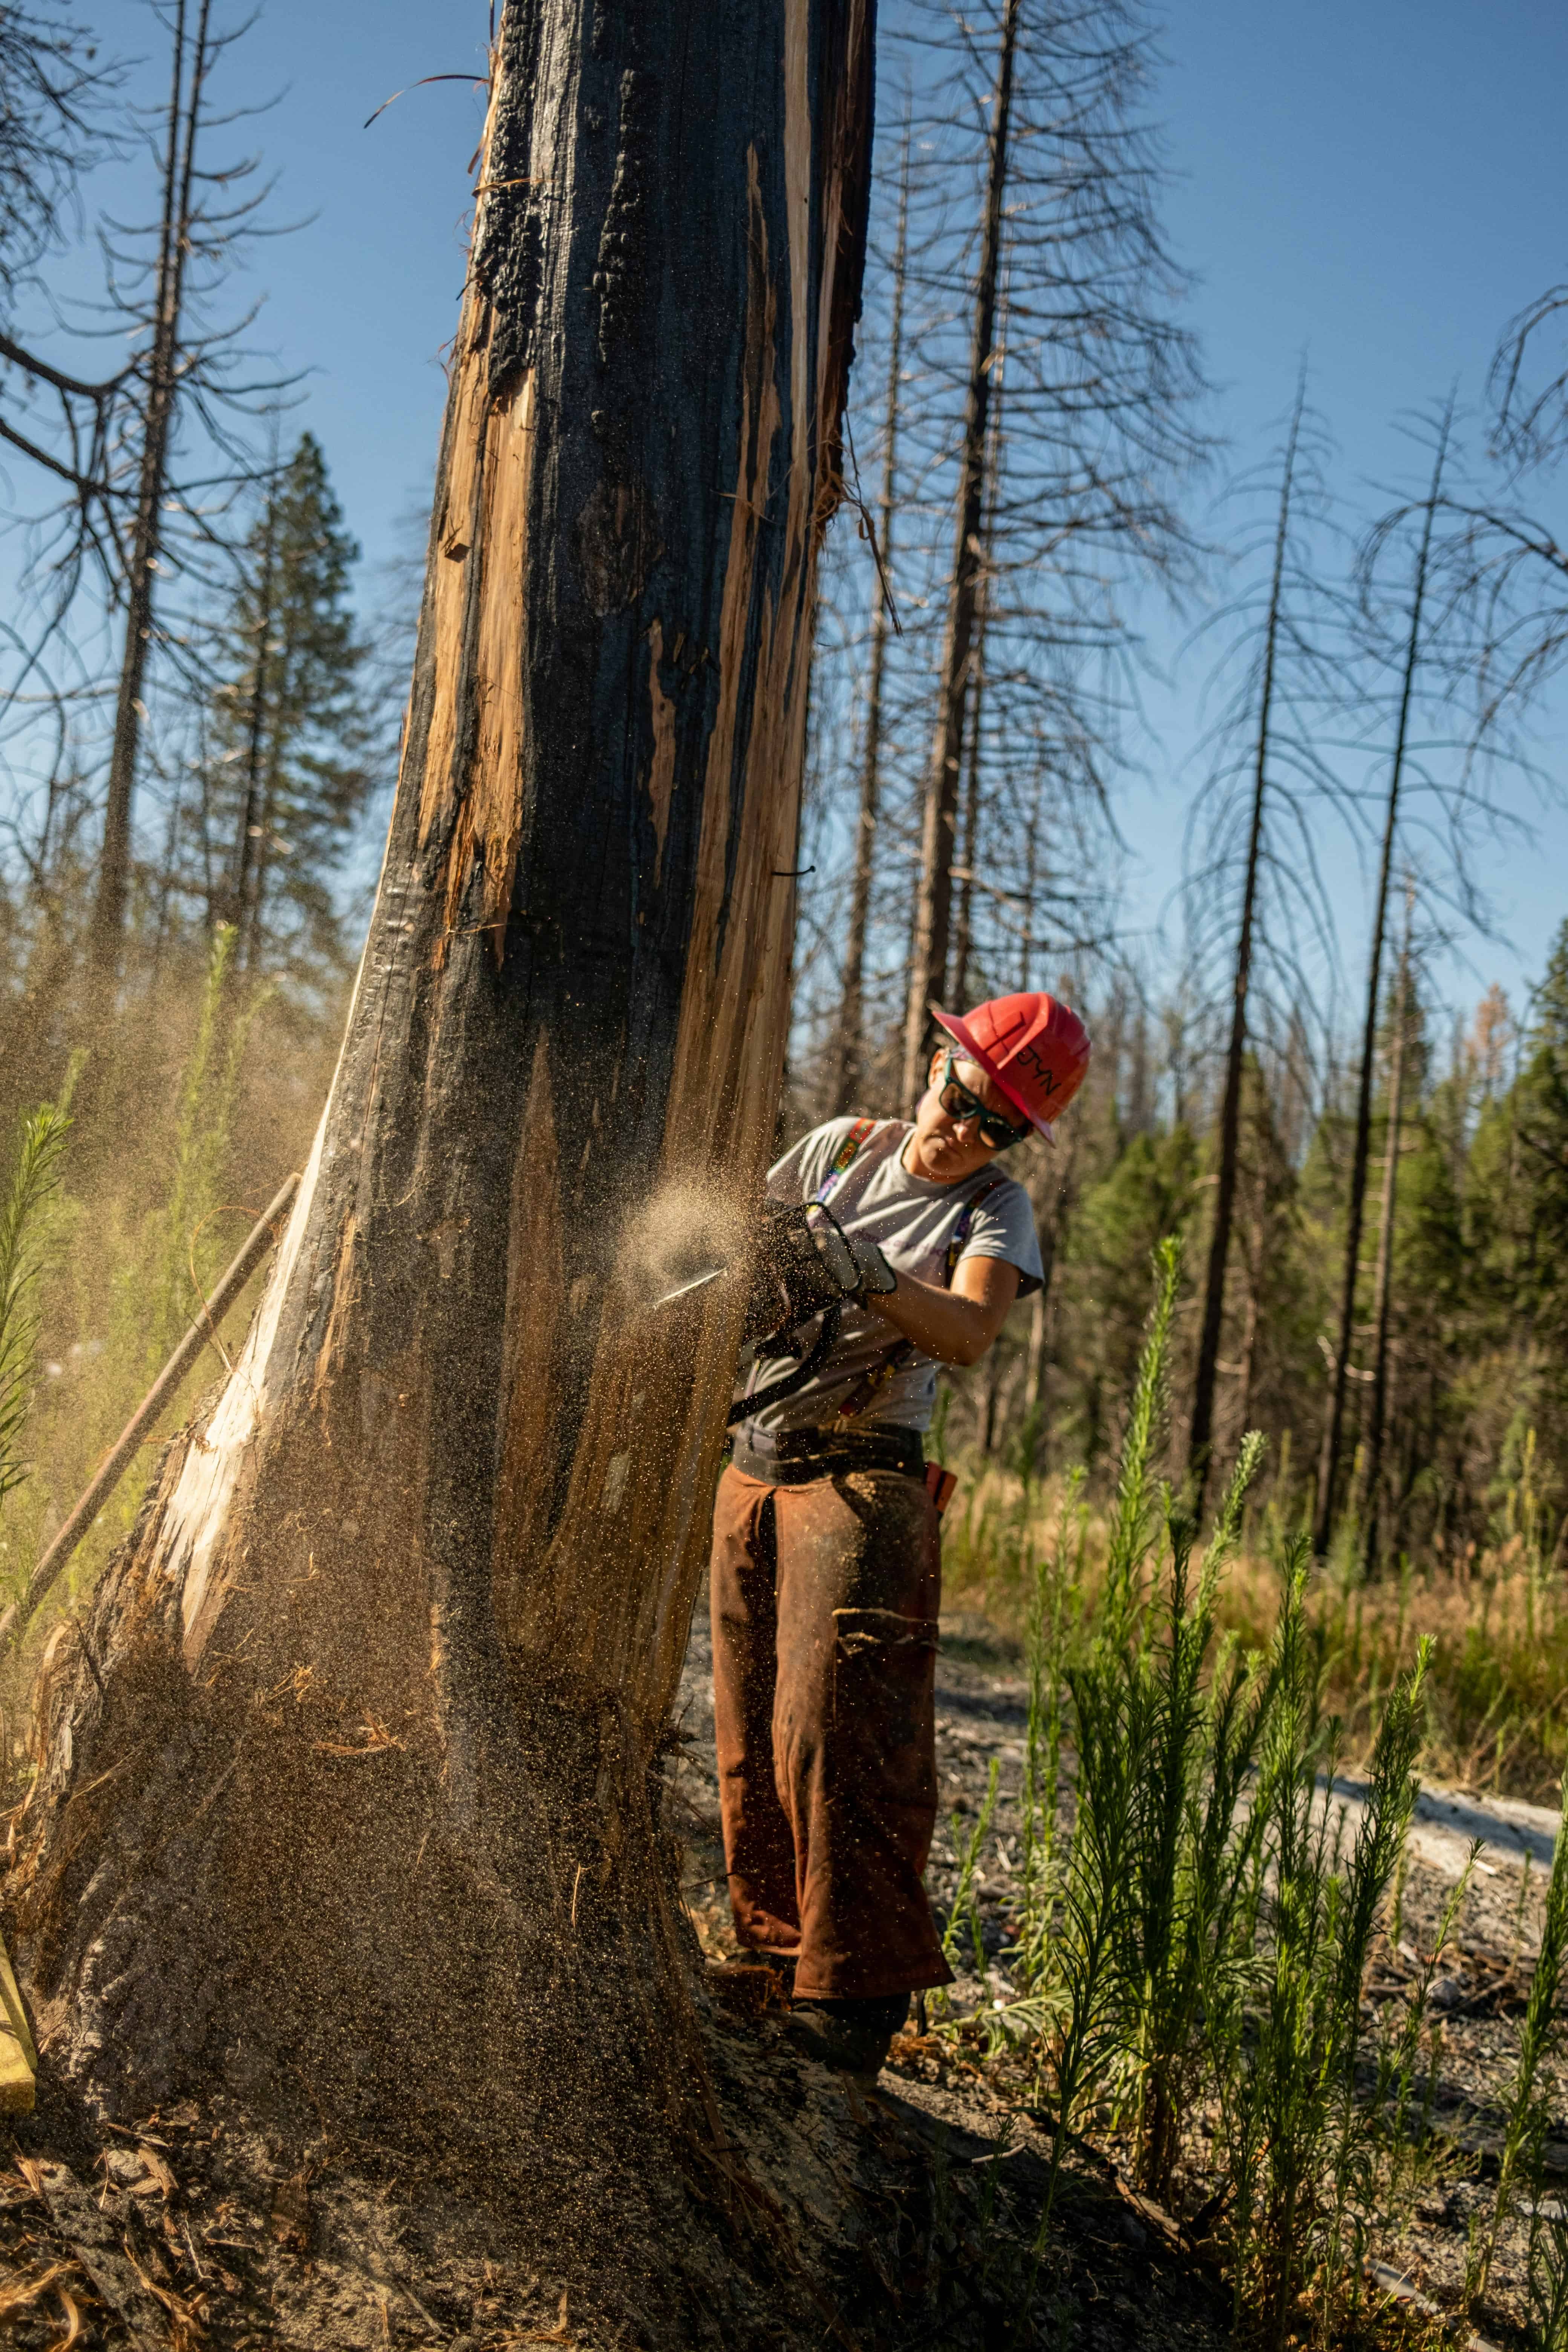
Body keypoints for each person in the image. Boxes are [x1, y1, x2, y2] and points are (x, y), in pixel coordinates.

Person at [708, 991, 1092, 2078]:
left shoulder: (992, 1214)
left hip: (863, 1483)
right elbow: (735, 1239)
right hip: (756, 1465)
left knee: (838, 1739)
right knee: (747, 1739)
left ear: (1020, 1141)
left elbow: (970, 1332)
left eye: (999, 1123)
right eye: (963, 1096)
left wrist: (869, 1276)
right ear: (938, 1063)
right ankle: (774, 1956)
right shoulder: (840, 1151)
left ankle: (855, 2000)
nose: (964, 1127)